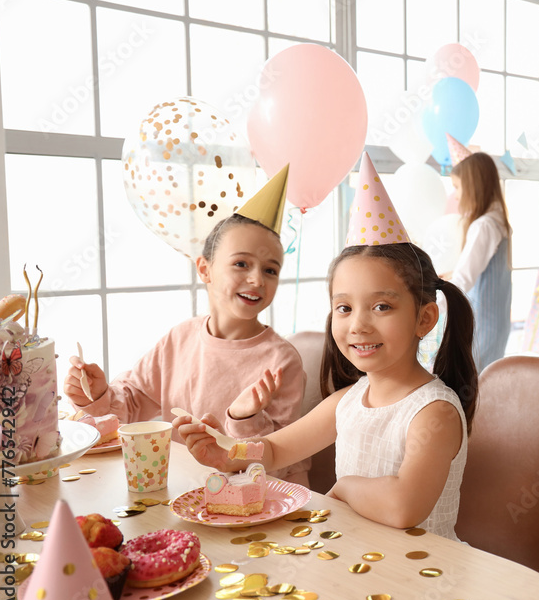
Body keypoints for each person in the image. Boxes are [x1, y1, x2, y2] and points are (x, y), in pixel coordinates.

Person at [174, 154, 478, 540]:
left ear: (425, 318)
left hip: (422, 578)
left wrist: (346, 489)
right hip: (355, 565)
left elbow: (405, 507)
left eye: (381, 306)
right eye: (344, 308)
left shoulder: (434, 413)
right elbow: (273, 451)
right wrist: (226, 453)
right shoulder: (349, 401)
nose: (358, 325)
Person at [63, 171, 310, 486]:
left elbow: (280, 460)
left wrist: (246, 420)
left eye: (270, 270)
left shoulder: (281, 361)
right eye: (241, 264)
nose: (257, 280)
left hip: (261, 503)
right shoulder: (178, 339)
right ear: (205, 269)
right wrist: (96, 395)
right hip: (186, 496)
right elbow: (130, 405)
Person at [444, 149, 512, 371]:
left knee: (474, 387)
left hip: (482, 325)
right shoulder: (497, 220)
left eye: (457, 187)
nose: (455, 195)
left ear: (473, 185)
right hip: (494, 325)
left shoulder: (483, 226)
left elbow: (463, 281)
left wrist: (429, 311)